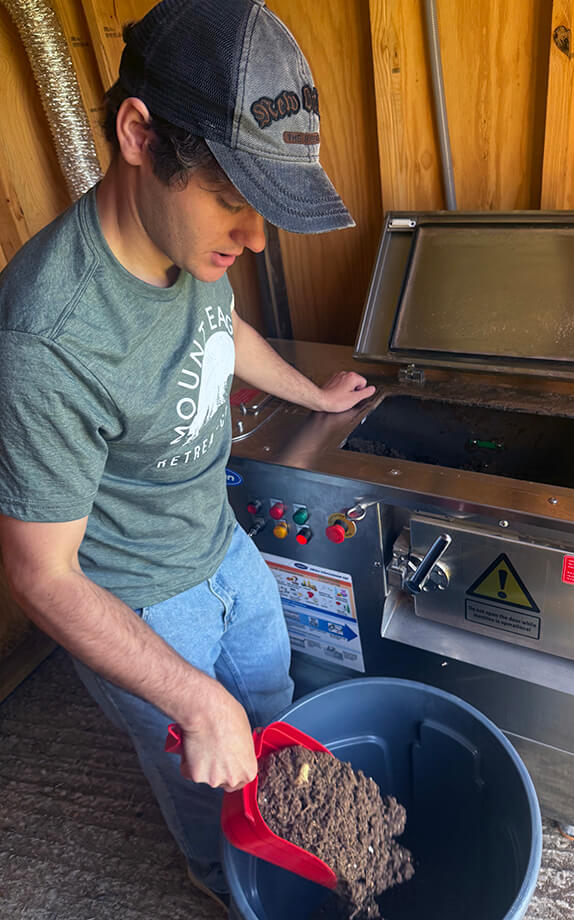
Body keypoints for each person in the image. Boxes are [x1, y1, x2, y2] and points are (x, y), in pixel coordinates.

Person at [0, 0, 375, 911]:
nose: (252, 241)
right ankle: (227, 886)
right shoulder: (49, 337)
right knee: (206, 780)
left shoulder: (186, 247)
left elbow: (221, 331)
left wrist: (311, 393)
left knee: (274, 715)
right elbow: (39, 575)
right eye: (235, 204)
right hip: (139, 605)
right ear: (139, 134)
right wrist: (194, 702)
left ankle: (299, 847)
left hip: (226, 551)